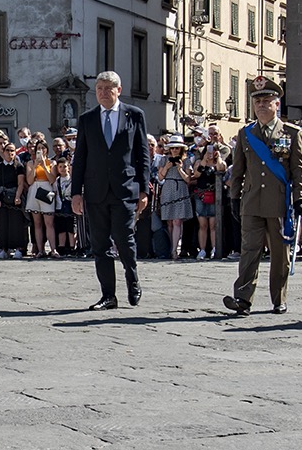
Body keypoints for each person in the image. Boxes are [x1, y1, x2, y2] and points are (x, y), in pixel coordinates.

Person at [223, 77, 302, 315]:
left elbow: (298, 170)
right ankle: (243, 299)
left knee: (280, 254)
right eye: (257, 100)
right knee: (249, 251)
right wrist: (234, 196)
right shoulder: (246, 133)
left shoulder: (291, 133)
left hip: (278, 202)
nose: (261, 105)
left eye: (266, 100)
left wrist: (300, 199)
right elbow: (238, 169)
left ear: (277, 104)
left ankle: (278, 298)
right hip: (251, 202)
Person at [70, 71, 150, 310]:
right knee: (100, 244)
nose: (103, 93)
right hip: (95, 190)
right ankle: (108, 296)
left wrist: (144, 190)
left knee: (124, 238)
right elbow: (80, 157)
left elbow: (142, 154)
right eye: (99, 89)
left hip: (124, 188)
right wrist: (76, 192)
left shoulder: (134, 115)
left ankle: (132, 278)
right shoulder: (87, 119)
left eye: (108, 88)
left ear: (118, 90)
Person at [157, 135, 194, 259]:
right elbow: (160, 177)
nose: (174, 151)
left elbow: (188, 179)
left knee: (177, 220)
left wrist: (179, 168)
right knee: (169, 222)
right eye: (172, 148)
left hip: (180, 189)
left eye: (177, 148)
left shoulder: (186, 161)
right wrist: (167, 167)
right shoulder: (164, 160)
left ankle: (174, 250)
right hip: (168, 188)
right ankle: (171, 247)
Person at [22, 139, 56, 257]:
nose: (41, 150)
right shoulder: (30, 163)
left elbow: (52, 179)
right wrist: (36, 165)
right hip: (34, 189)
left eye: (43, 148)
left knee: (49, 222)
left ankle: (53, 249)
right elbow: (29, 180)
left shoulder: (52, 163)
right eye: (39, 148)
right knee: (37, 223)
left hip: (46, 188)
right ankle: (40, 250)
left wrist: (44, 166)